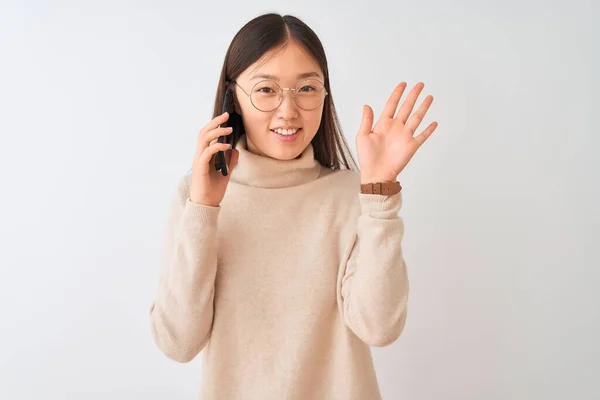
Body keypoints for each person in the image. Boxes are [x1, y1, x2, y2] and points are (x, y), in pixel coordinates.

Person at [149, 12, 438, 400]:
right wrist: (203, 209)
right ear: (233, 96)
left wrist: (379, 193)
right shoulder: (196, 194)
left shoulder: (356, 194)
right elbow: (178, 342)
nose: (288, 110)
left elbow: (379, 327)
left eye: (306, 88)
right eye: (266, 90)